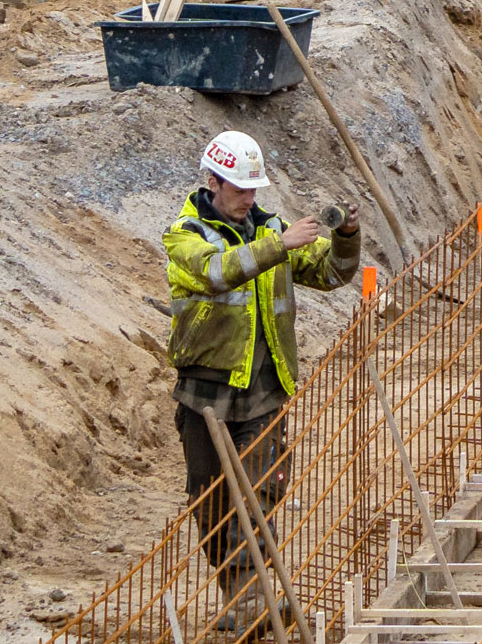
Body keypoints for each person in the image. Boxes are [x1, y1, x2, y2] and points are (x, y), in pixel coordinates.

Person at [164, 131, 358, 615]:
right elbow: (215, 273)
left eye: (254, 190)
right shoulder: (185, 235)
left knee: (260, 494)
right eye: (239, 189)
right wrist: (279, 245)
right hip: (204, 391)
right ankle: (244, 596)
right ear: (213, 181)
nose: (248, 198)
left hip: (264, 389)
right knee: (210, 501)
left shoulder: (270, 226)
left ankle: (251, 599)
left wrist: (347, 238)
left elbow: (332, 275)